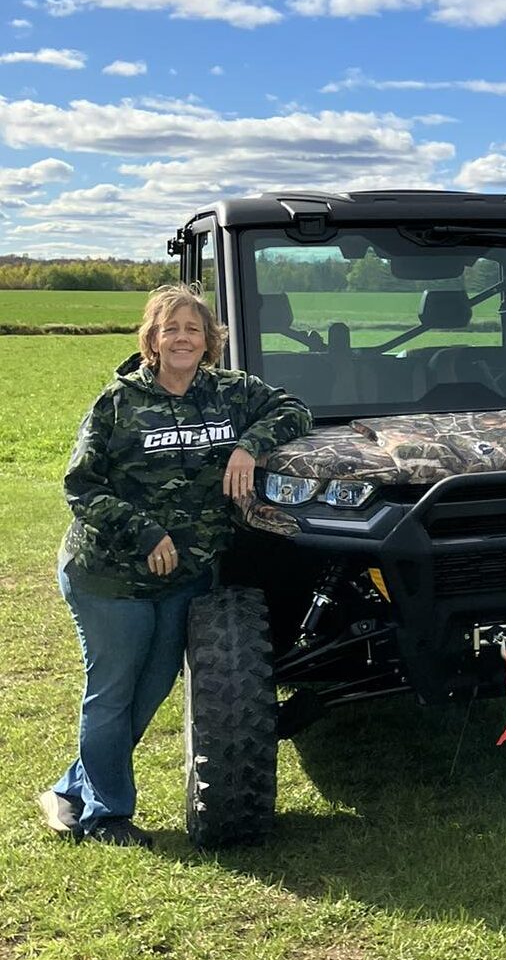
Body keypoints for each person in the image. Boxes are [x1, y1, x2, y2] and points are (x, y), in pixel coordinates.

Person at [38, 284, 312, 846]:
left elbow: (294, 409)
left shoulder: (229, 393)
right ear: (153, 340)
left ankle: (71, 789)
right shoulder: (119, 401)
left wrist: (249, 446)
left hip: (185, 576)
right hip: (111, 575)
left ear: (209, 339)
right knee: (113, 691)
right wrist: (145, 533)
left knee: (153, 687)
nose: (183, 338)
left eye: (193, 329)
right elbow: (81, 485)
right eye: (171, 329)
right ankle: (105, 815)